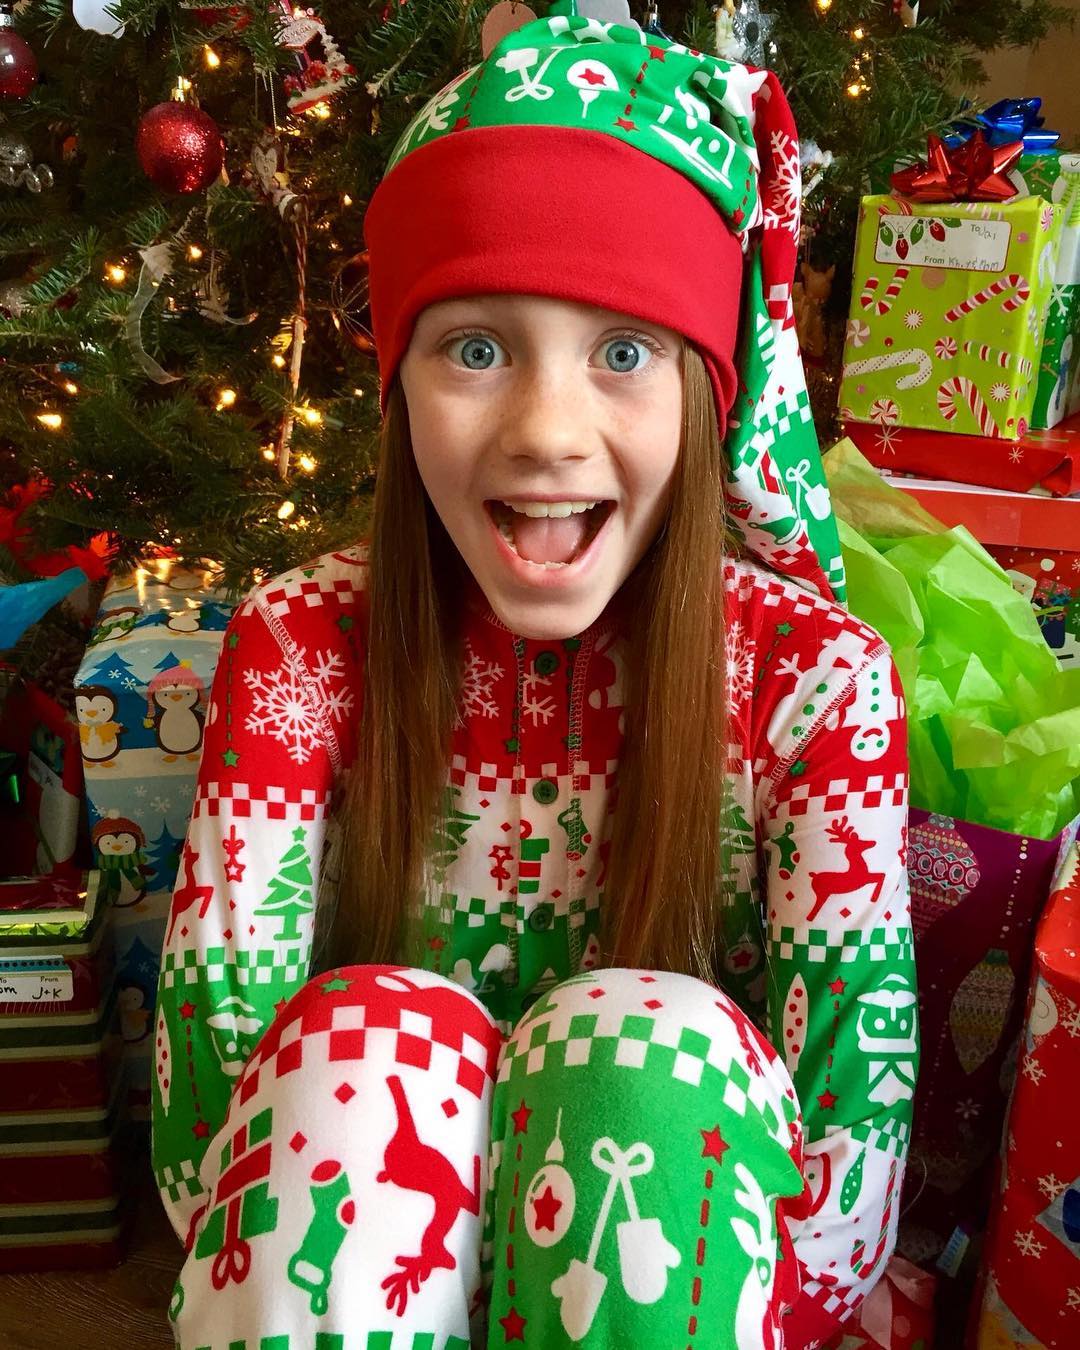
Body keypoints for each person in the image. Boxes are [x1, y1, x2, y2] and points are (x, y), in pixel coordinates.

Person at [151, 4, 918, 1346]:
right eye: (476, 348)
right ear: (398, 383)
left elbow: (850, 1178)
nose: (548, 431)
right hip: (355, 1263)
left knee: (636, 1050)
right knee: (364, 1038)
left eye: (623, 353)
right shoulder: (299, 646)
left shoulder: (817, 680)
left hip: (672, 1278)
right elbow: (205, 1128)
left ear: (705, 389)